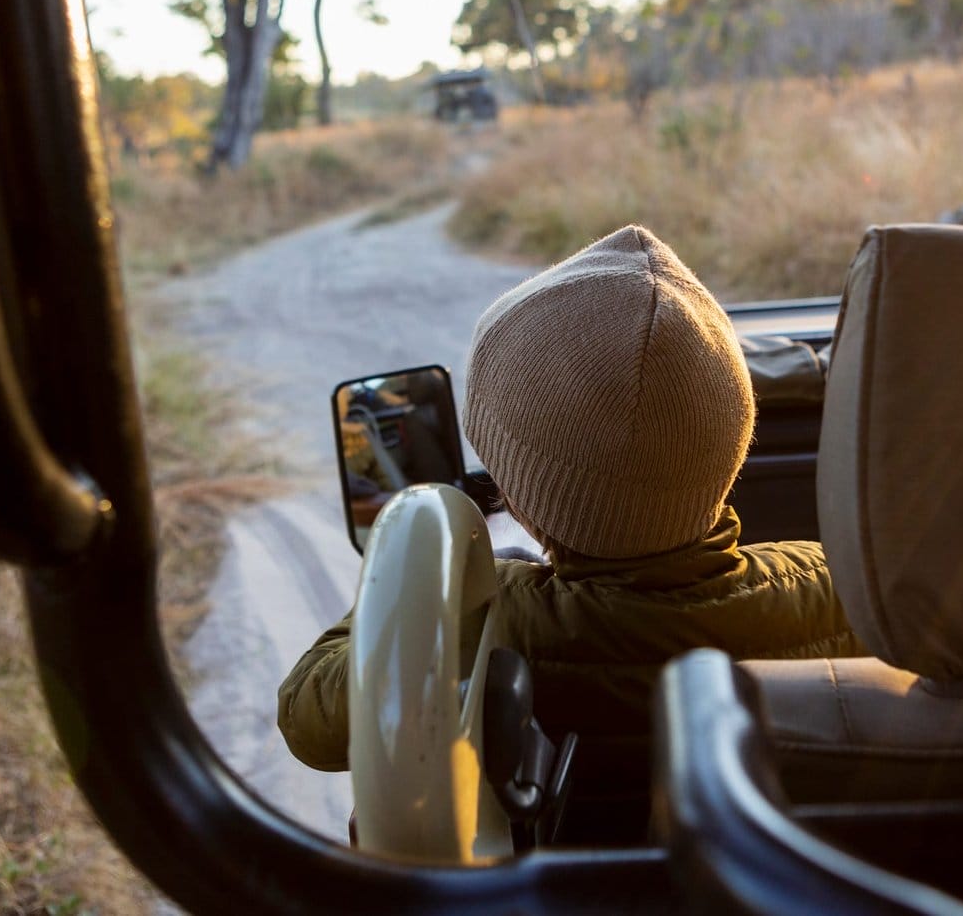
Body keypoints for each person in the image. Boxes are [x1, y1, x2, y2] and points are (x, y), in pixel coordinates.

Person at [278, 225, 863, 772]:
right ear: (731, 448)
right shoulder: (847, 592)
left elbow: (308, 713)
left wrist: (423, 576)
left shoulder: (484, 619)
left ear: (521, 497)